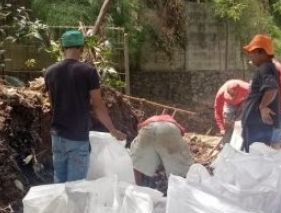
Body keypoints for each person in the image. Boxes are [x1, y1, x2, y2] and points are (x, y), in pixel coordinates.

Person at [44, 30, 125, 183]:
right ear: (81, 48)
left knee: (59, 183)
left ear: (63, 48)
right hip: (77, 137)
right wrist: (112, 130)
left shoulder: (50, 72)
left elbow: (52, 104)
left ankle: (60, 208)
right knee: (76, 188)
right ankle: (74, 208)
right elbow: (98, 106)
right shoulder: (88, 72)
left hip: (57, 136)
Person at [240, 34, 281, 152]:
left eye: (251, 52)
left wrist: (263, 107)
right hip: (257, 125)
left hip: (257, 126)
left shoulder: (265, 68)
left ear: (260, 52)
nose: (250, 56)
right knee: (257, 158)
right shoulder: (268, 67)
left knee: (255, 159)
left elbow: (272, 88)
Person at [130, 114, 194, 187]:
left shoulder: (148, 121)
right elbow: (182, 132)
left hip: (146, 130)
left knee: (138, 165)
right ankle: (181, 190)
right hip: (169, 130)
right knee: (181, 168)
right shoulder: (171, 121)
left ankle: (137, 188)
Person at [213, 79, 250, 144]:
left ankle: (240, 142)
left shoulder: (247, 88)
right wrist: (221, 128)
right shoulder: (221, 94)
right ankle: (226, 143)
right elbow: (217, 111)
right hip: (229, 103)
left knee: (240, 123)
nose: (231, 97)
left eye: (232, 95)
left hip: (243, 101)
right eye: (229, 95)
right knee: (227, 121)